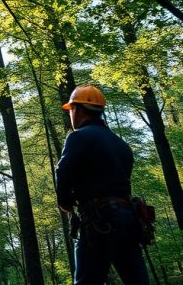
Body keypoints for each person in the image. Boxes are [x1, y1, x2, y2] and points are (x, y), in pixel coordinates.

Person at [56, 84, 149, 285]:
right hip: (129, 219)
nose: (71, 114)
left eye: (71, 110)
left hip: (98, 218)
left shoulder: (78, 137)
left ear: (79, 110)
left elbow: (62, 171)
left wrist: (65, 202)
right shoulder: (121, 144)